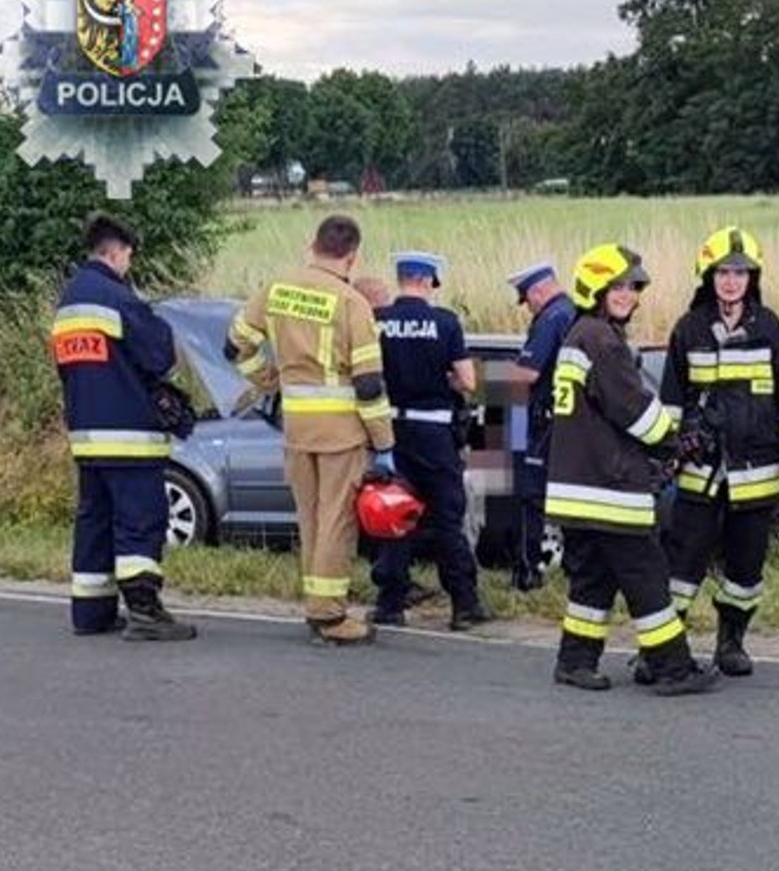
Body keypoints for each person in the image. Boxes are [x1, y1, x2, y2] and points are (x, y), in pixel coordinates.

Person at [545, 243, 720, 695]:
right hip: (611, 489)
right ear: (596, 289)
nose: (628, 295)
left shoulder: (577, 334)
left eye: (632, 286)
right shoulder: (602, 341)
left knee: (592, 579)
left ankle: (575, 661)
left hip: (576, 487)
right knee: (647, 577)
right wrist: (676, 439)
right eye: (617, 286)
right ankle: (672, 668)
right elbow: (636, 411)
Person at [646, 226, 779, 680]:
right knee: (682, 565)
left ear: (752, 279)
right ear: (708, 276)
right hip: (700, 470)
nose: (731, 281)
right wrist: (664, 457)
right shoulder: (689, 329)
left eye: (741, 273)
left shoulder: (770, 327)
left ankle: (732, 642)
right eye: (723, 272)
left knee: (746, 565)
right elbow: (670, 401)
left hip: (756, 469)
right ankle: (665, 651)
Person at [227, 213, 397, 646]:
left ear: (313, 245)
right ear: (352, 256)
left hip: (296, 427)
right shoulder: (351, 302)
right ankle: (329, 615)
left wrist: (268, 380)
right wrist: (384, 442)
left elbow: (235, 344)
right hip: (341, 432)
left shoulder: (277, 288)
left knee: (310, 518)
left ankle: (317, 605)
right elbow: (368, 382)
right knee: (336, 520)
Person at [53, 213, 196, 640]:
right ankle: (145, 613)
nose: (128, 265)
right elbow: (158, 355)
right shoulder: (118, 298)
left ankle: (91, 612)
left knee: (94, 520)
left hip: (86, 433)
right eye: (128, 257)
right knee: (140, 520)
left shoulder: (68, 301)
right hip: (130, 434)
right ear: (115, 252)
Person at [367, 251, 491, 631]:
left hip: (391, 432)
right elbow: (468, 381)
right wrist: (448, 381)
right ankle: (464, 606)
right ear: (426, 282)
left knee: (394, 516)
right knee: (447, 521)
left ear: (402, 279)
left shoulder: (379, 321)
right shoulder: (445, 322)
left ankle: (390, 605)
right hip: (436, 435)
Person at [503, 260, 577, 591]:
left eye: (527, 299)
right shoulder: (575, 312)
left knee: (531, 498)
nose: (527, 306)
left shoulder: (550, 317)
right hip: (571, 424)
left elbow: (528, 374)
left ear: (538, 290)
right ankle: (577, 570)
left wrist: (485, 380)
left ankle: (528, 571)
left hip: (545, 424)